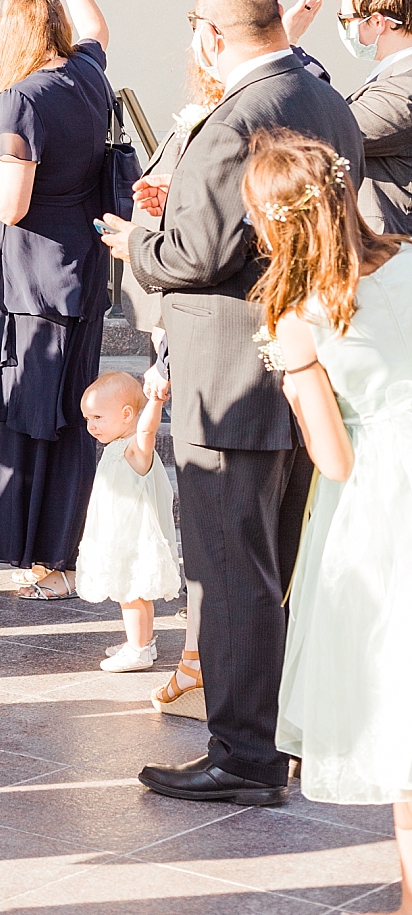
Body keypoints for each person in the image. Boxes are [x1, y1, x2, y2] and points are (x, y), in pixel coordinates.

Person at [101, 0, 364, 806]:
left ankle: (244, 757)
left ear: (213, 34)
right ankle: (278, 736)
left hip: (228, 372)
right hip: (300, 365)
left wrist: (132, 241)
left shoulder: (234, 117)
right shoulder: (324, 99)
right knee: (277, 565)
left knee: (230, 571)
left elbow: (196, 256)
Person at [242, 131, 412, 911]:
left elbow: (334, 460)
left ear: (277, 224)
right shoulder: (410, 257)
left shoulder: (298, 317)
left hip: (382, 501)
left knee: (394, 699)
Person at [0, 0, 114, 597]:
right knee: (73, 417)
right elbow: (99, 28)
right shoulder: (87, 75)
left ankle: (46, 563)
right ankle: (64, 554)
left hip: (31, 288)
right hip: (80, 272)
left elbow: (12, 205)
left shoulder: (21, 100)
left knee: (33, 417)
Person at [74, 371, 180, 672]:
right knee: (132, 593)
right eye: (87, 418)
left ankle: (138, 650)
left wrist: (155, 402)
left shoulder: (135, 448)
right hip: (118, 533)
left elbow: (147, 431)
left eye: (97, 417)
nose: (91, 426)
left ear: (126, 414)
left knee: (131, 592)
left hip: (132, 538)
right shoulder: (116, 447)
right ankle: (142, 641)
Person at [336, 0, 412, 234]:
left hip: (389, 251)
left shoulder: (405, 87)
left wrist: (283, 48)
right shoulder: (392, 77)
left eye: (346, 20)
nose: (344, 29)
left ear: (378, 21)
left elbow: (333, 130)